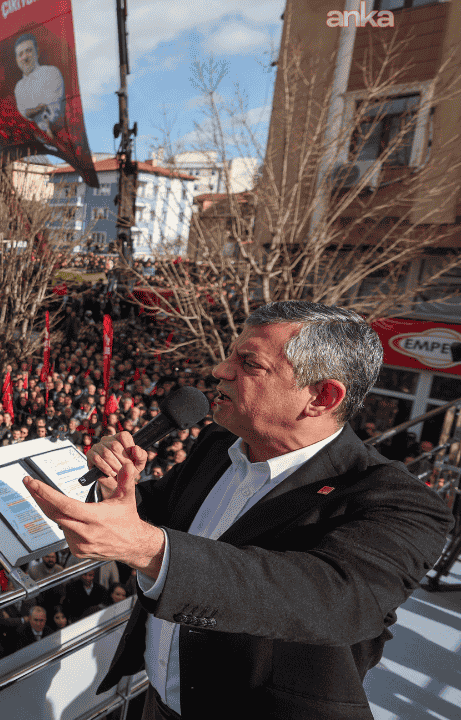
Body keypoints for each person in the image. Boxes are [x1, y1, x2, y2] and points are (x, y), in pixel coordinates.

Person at [23, 301, 452, 718]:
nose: (220, 371)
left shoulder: (400, 502)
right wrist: (116, 488)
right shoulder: (217, 445)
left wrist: (150, 550)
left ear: (321, 397)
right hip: (158, 701)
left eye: (249, 364)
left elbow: (334, 598)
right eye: (231, 356)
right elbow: (149, 514)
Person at [11, 33, 64, 136]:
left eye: (28, 51)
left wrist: (32, 111)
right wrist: (38, 109)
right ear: (17, 60)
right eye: (20, 54)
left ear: (37, 52)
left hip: (57, 135)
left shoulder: (51, 72)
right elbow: (24, 113)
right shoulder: (19, 88)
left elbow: (52, 108)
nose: (25, 57)